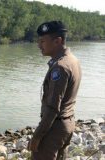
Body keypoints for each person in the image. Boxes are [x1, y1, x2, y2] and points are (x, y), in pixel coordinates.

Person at [28, 21, 82, 160]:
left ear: (57, 41)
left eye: (42, 41)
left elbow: (53, 108)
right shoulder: (73, 60)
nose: (39, 45)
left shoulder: (60, 67)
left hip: (54, 128)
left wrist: (37, 136)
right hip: (67, 123)